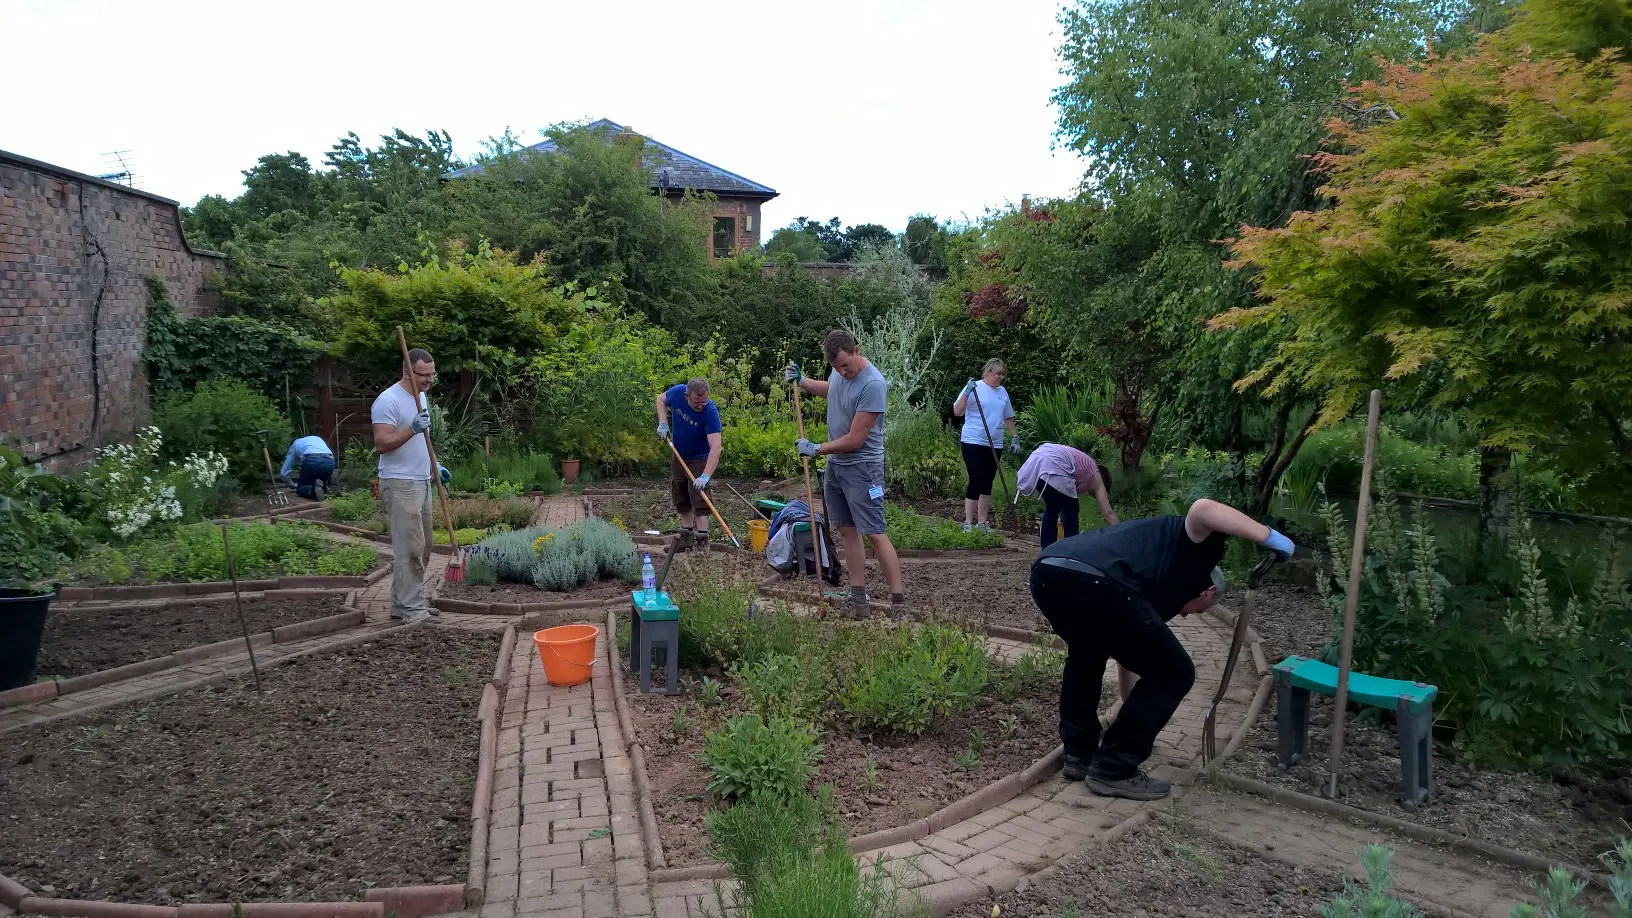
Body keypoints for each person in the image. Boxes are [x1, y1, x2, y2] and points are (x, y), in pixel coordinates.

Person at [1029, 499, 1295, 800]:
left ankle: (1080, 755)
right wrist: (1268, 537)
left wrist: (1135, 713)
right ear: (1208, 592)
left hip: (1049, 571)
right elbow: (1203, 508)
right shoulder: (1198, 552)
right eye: (1197, 610)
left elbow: (1130, 654)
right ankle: (1113, 768)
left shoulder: (1149, 575)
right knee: (1176, 673)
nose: (1186, 614)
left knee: (1087, 654)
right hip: (1097, 580)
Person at [785, 329, 906, 620]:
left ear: (856, 350)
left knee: (875, 533)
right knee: (847, 533)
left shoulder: (874, 384)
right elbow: (833, 389)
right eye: (836, 367)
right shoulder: (840, 373)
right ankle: (858, 600)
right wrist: (802, 382)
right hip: (837, 468)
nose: (842, 371)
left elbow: (855, 440)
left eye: (845, 365)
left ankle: (899, 604)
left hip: (863, 470)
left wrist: (816, 449)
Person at [372, 347, 449, 625]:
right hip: (400, 481)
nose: (429, 380)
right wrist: (411, 429)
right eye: (423, 375)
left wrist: (434, 464)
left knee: (424, 545)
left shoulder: (422, 397)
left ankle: (400, 603)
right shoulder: (387, 400)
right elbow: (382, 443)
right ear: (407, 370)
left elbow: (422, 440)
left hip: (421, 478)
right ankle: (413, 608)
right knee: (410, 548)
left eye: (432, 374)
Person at [951, 359, 1019, 533]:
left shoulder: (1002, 392)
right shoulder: (975, 388)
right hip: (973, 441)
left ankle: (982, 524)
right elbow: (957, 411)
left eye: (1003, 374)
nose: (1001, 377)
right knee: (976, 477)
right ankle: (968, 523)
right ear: (988, 372)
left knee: (987, 480)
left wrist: (1015, 437)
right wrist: (966, 392)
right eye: (998, 373)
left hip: (994, 443)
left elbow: (1008, 417)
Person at [656, 378, 723, 552]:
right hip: (679, 454)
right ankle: (686, 537)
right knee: (681, 494)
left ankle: (702, 539)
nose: (700, 405)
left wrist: (706, 475)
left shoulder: (710, 411)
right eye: (696, 402)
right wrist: (663, 422)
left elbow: (716, 446)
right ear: (687, 395)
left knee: (699, 497)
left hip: (700, 457)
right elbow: (660, 399)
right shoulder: (677, 393)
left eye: (704, 401)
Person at [1016, 442, 1118, 548]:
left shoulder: (1083, 470)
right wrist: (1123, 533)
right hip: (1053, 466)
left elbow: (1061, 496)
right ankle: (1072, 552)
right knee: (1071, 512)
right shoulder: (1096, 476)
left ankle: (1048, 551)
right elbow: (1108, 513)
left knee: (1052, 508)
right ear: (1104, 478)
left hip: (1036, 463)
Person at [278, 434, 335, 501]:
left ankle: (313, 490)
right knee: (321, 484)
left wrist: (291, 484)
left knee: (301, 488)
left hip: (312, 460)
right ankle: (329, 489)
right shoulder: (316, 438)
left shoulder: (295, 444)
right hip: (330, 460)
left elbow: (283, 473)